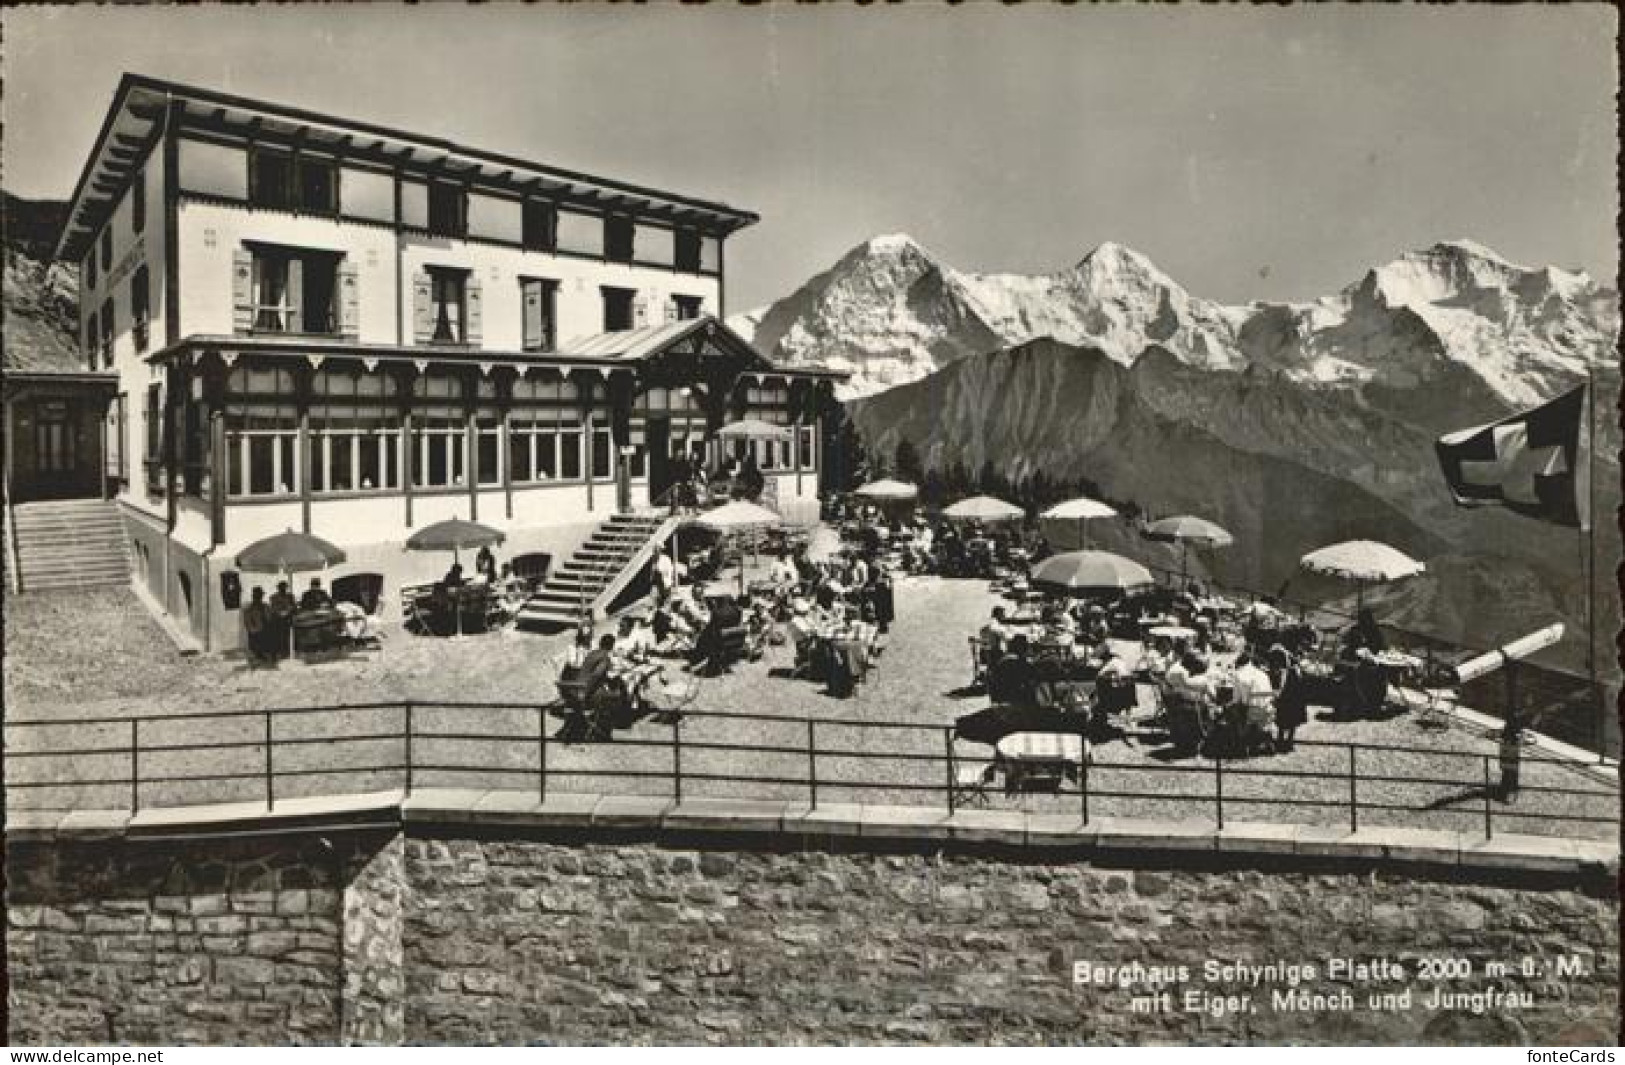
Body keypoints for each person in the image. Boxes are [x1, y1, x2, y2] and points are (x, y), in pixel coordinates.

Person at [268, 581, 297, 660]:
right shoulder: (273, 597)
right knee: (278, 636)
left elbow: (294, 607)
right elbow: (272, 608)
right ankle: (279, 653)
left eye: (284, 587)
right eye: (281, 588)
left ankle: (286, 653)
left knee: (286, 637)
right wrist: (279, 613)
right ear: (278, 588)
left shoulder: (290, 596)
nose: (283, 589)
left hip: (287, 620)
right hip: (277, 620)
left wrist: (289, 610)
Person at [243, 586, 271, 663]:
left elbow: (270, 618)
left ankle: (263, 655)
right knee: (255, 647)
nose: (259, 597)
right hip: (256, 633)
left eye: (260, 595)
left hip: (266, 632)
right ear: (254, 596)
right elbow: (248, 623)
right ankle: (257, 655)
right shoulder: (249, 609)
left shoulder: (265, 606)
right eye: (257, 596)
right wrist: (254, 629)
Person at [1498, 720, 1523, 803]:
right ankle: (1506, 790)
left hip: (1511, 746)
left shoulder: (1514, 720)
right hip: (1510, 746)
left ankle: (1506, 789)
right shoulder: (1513, 720)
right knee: (1509, 769)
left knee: (1510, 770)